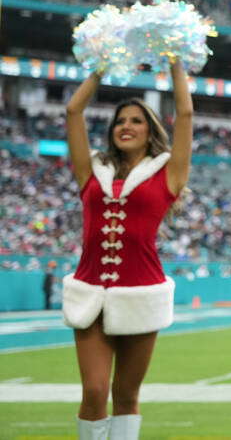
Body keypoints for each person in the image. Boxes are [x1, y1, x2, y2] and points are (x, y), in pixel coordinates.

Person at [62, 60, 192, 440]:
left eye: (136, 120)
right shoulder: (91, 172)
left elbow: (185, 113)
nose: (126, 126)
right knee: (95, 390)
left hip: (141, 292)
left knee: (125, 394)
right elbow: (73, 111)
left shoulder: (169, 173)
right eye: (120, 121)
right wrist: (101, 69)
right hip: (90, 293)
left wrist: (175, 62)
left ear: (150, 130)